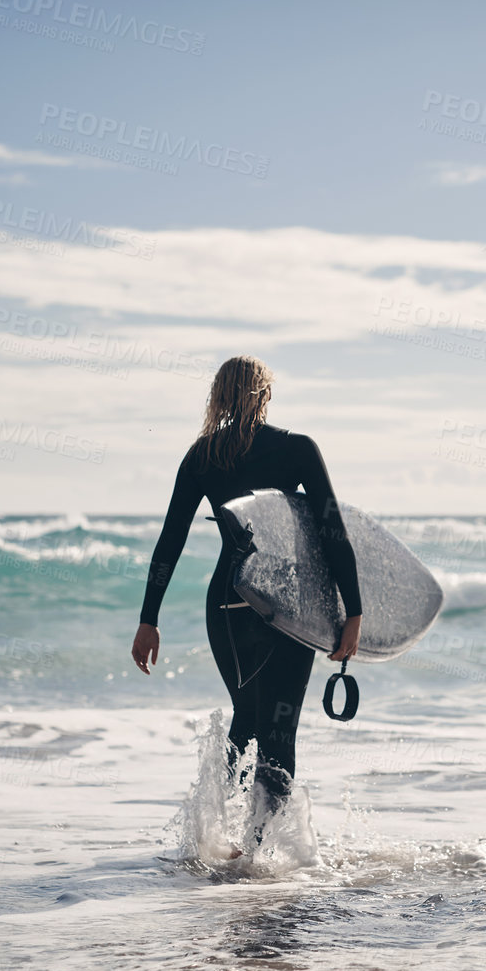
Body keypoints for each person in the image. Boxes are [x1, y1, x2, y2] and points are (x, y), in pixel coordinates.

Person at [131, 355, 361, 833]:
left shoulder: (203, 456)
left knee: (247, 715)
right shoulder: (296, 449)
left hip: (228, 605)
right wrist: (353, 609)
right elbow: (332, 530)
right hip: (286, 608)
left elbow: (170, 540)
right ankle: (262, 851)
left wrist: (148, 618)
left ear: (217, 396)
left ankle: (212, 834)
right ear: (265, 394)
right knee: (280, 727)